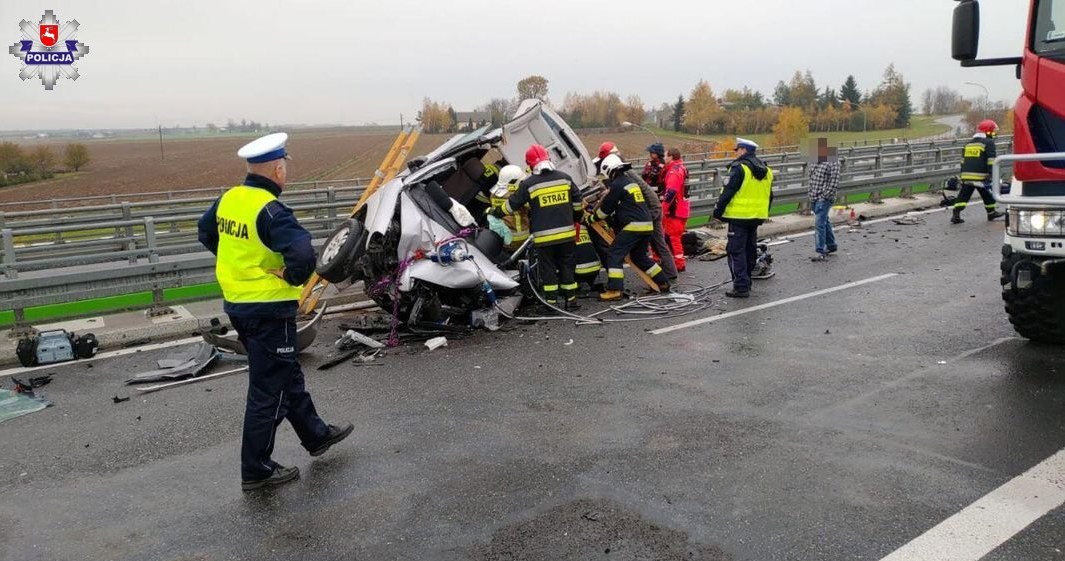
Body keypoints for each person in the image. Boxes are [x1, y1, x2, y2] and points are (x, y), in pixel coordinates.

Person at [197, 133, 353, 491]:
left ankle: (316, 435)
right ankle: (256, 468)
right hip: (268, 308)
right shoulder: (270, 209)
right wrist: (290, 276)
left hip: (238, 304)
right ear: (278, 169)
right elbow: (303, 255)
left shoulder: (229, 199)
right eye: (285, 167)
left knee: (284, 374)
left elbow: (205, 233)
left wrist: (239, 265)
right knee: (269, 390)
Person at [490, 144, 584, 310]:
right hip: (567, 234)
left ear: (530, 164)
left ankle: (551, 304)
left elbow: (512, 205)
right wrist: (576, 218)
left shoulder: (529, 184)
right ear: (548, 159)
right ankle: (572, 301)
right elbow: (577, 203)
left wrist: (495, 212)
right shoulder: (565, 178)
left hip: (545, 237)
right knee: (566, 266)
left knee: (548, 270)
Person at [594, 142, 678, 280]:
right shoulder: (623, 170)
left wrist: (595, 211)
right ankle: (665, 275)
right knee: (649, 247)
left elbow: (611, 196)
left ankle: (670, 273)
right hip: (649, 207)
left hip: (651, 208)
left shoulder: (622, 174)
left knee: (657, 243)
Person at [712, 138, 773, 298]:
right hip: (756, 216)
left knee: (735, 251)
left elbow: (728, 192)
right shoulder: (766, 170)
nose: (736, 153)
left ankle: (740, 286)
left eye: (737, 149)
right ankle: (747, 282)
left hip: (738, 217)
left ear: (743, 150)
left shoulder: (739, 168)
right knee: (749, 250)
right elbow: (770, 195)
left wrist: (717, 212)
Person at [952, 119, 1005, 224]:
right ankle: (991, 213)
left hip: (967, 175)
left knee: (964, 195)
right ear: (988, 132)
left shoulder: (968, 144)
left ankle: (956, 214)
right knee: (988, 194)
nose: (994, 134)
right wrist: (992, 175)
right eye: (993, 131)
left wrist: (963, 175)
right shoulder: (989, 143)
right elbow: (991, 160)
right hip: (981, 176)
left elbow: (962, 161)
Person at [661, 148, 690, 273]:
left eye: (666, 155)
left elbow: (671, 193)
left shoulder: (674, 171)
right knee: (673, 237)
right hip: (682, 208)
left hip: (674, 210)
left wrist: (663, 209)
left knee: (673, 237)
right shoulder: (682, 168)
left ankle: (678, 264)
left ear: (671, 156)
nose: (664, 158)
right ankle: (677, 262)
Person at [808, 151, 841, 261]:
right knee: (824, 221)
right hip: (814, 197)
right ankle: (831, 245)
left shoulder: (833, 162)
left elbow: (834, 182)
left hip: (823, 199)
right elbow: (811, 179)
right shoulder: (815, 161)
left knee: (819, 224)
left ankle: (820, 250)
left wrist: (825, 196)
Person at [488, 164, 531, 251]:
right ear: (513, 181)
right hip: (520, 240)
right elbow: (531, 206)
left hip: (503, 238)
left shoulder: (494, 193)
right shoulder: (517, 197)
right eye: (520, 181)